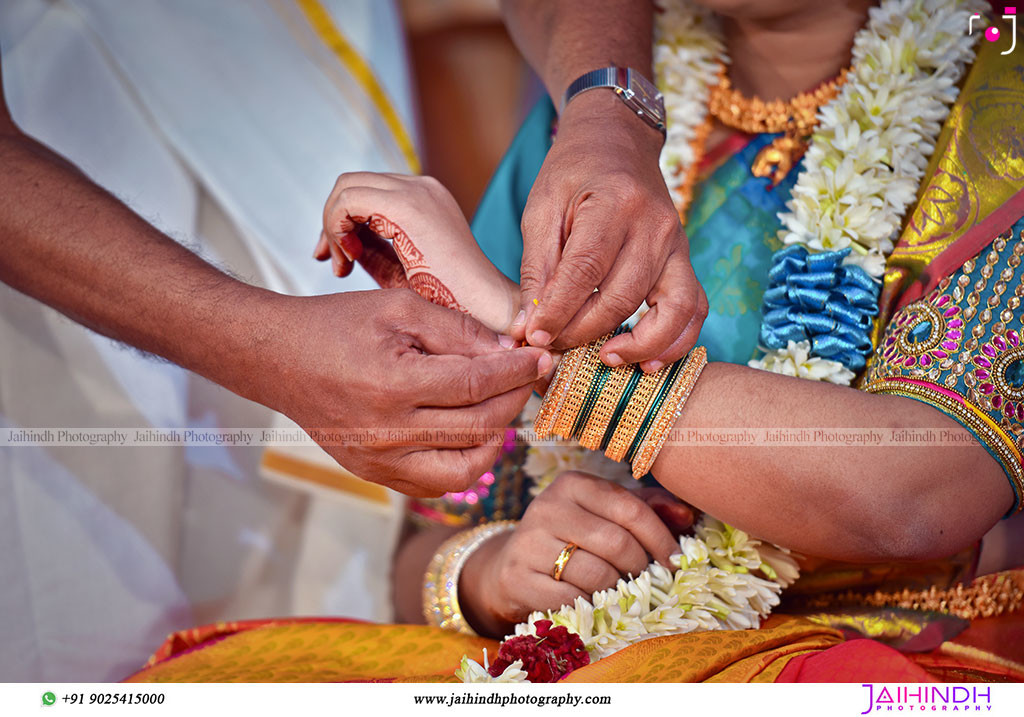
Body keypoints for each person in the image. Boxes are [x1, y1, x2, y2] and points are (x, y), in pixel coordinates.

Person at [126, 0, 1024, 683]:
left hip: (885, 663)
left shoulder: (1003, 94)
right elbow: (422, 549)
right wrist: (492, 575)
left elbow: (921, 490)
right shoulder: (593, 122)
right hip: (595, 659)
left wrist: (496, 317)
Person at [0, 0, 551, 681]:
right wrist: (269, 349)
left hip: (311, 99)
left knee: (313, 576)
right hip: (54, 234)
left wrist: (605, 104)